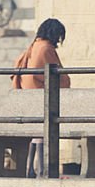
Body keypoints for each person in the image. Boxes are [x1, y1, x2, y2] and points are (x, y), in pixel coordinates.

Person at [11, 18, 72, 177]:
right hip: (42, 98)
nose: (59, 40)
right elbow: (60, 76)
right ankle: (42, 170)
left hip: (30, 98)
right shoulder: (46, 48)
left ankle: (31, 169)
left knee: (36, 134)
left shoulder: (34, 46)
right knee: (42, 133)